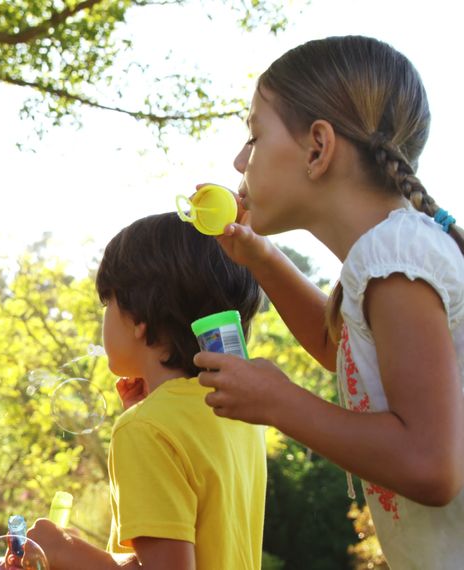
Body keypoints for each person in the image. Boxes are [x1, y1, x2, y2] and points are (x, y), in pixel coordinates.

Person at [194, 35, 464, 568]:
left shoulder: (393, 254)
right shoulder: (388, 253)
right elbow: (345, 355)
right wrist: (262, 258)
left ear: (318, 148)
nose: (239, 159)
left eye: (254, 135)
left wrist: (279, 402)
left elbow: (432, 465)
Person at [28, 213, 266, 569]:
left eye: (107, 303)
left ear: (139, 318)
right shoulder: (237, 409)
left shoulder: (145, 429)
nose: (105, 316)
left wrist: (62, 550)